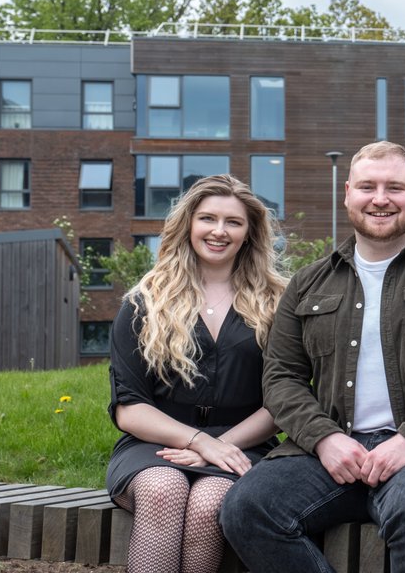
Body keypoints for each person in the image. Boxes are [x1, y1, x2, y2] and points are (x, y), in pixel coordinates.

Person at [221, 141, 405, 573]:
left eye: (394, 187)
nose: (380, 199)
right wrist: (324, 439)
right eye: (367, 187)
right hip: (331, 451)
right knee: (247, 509)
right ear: (348, 194)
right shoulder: (309, 283)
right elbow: (281, 377)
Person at [107, 174, 287, 573]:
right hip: (152, 445)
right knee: (163, 490)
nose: (219, 231)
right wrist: (200, 442)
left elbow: (283, 400)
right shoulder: (144, 303)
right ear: (188, 224)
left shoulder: (280, 303)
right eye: (208, 218)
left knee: (211, 502)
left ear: (249, 232)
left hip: (245, 445)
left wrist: (220, 445)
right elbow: (129, 408)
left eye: (233, 222)